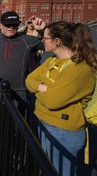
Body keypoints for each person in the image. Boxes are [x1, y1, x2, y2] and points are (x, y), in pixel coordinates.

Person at [26, 21, 97, 175]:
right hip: (45, 122)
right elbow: (29, 80)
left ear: (57, 41)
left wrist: (41, 88)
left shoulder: (80, 68)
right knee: (47, 168)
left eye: (45, 38)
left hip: (63, 131)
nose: (42, 41)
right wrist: (45, 88)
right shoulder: (52, 60)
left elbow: (52, 101)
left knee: (60, 172)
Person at [0, 11, 46, 113]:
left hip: (20, 90)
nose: (11, 27)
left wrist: (42, 30)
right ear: (1, 25)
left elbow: (52, 45)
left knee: (19, 123)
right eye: (7, 25)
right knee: (0, 121)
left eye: (14, 24)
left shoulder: (27, 40)